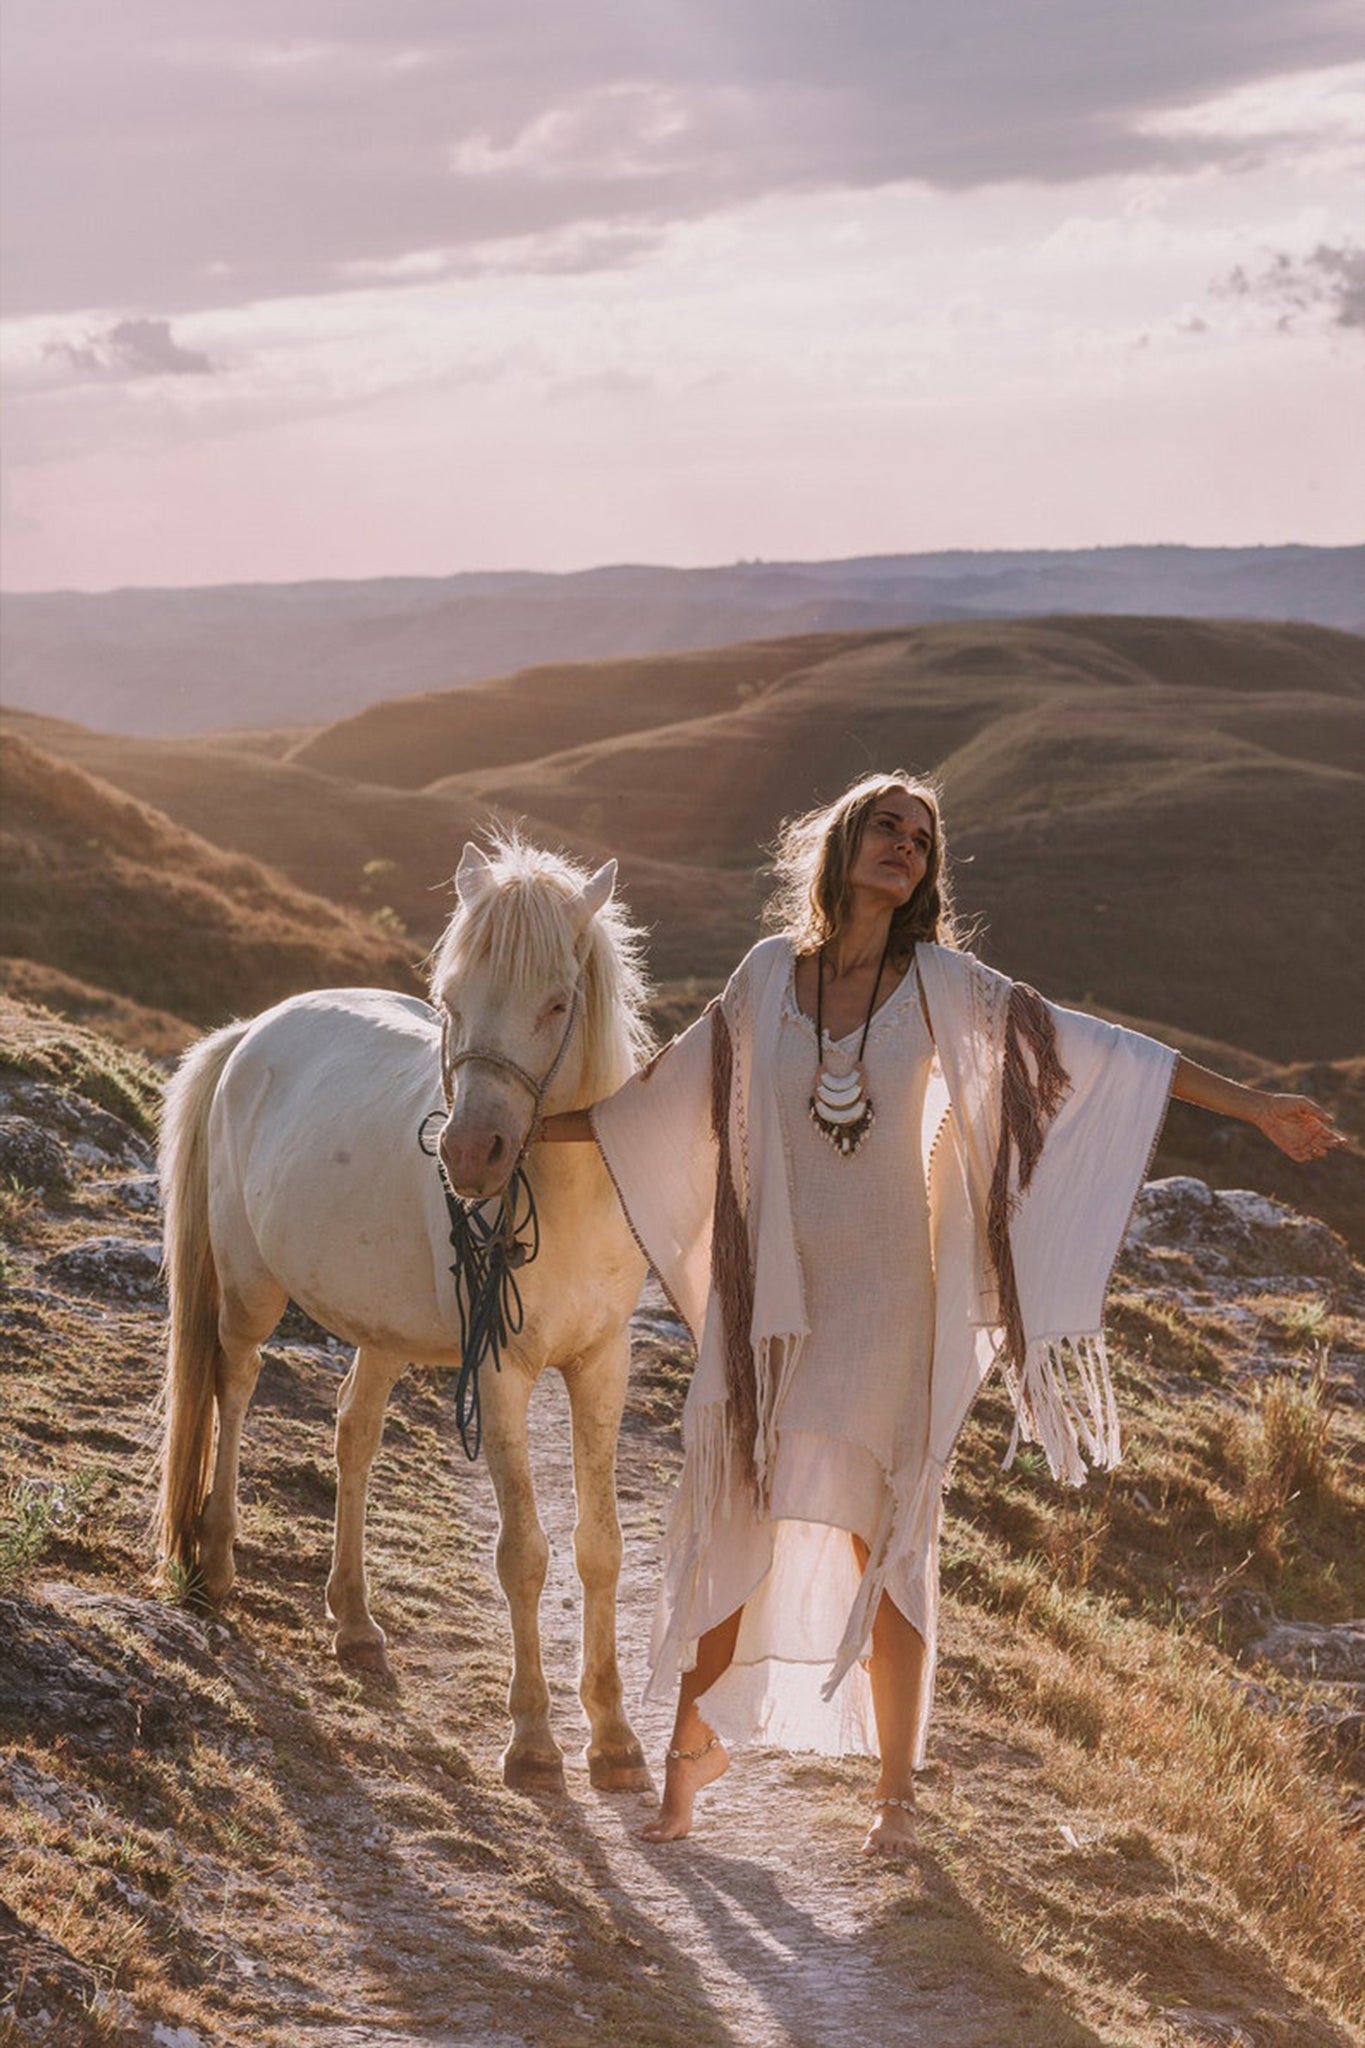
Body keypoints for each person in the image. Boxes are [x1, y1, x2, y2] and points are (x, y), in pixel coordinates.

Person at [537, 772, 1341, 1856]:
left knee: (889, 1533)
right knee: (739, 1507)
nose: (905, 846)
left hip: (889, 1301)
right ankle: (690, 1763)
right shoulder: (766, 973)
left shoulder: (943, 987)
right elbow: (662, 1097)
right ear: (841, 843)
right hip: (776, 1302)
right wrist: (523, 1129)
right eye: (887, 826)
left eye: (922, 838)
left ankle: (897, 1798)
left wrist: (1253, 1105)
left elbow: (1093, 1049)